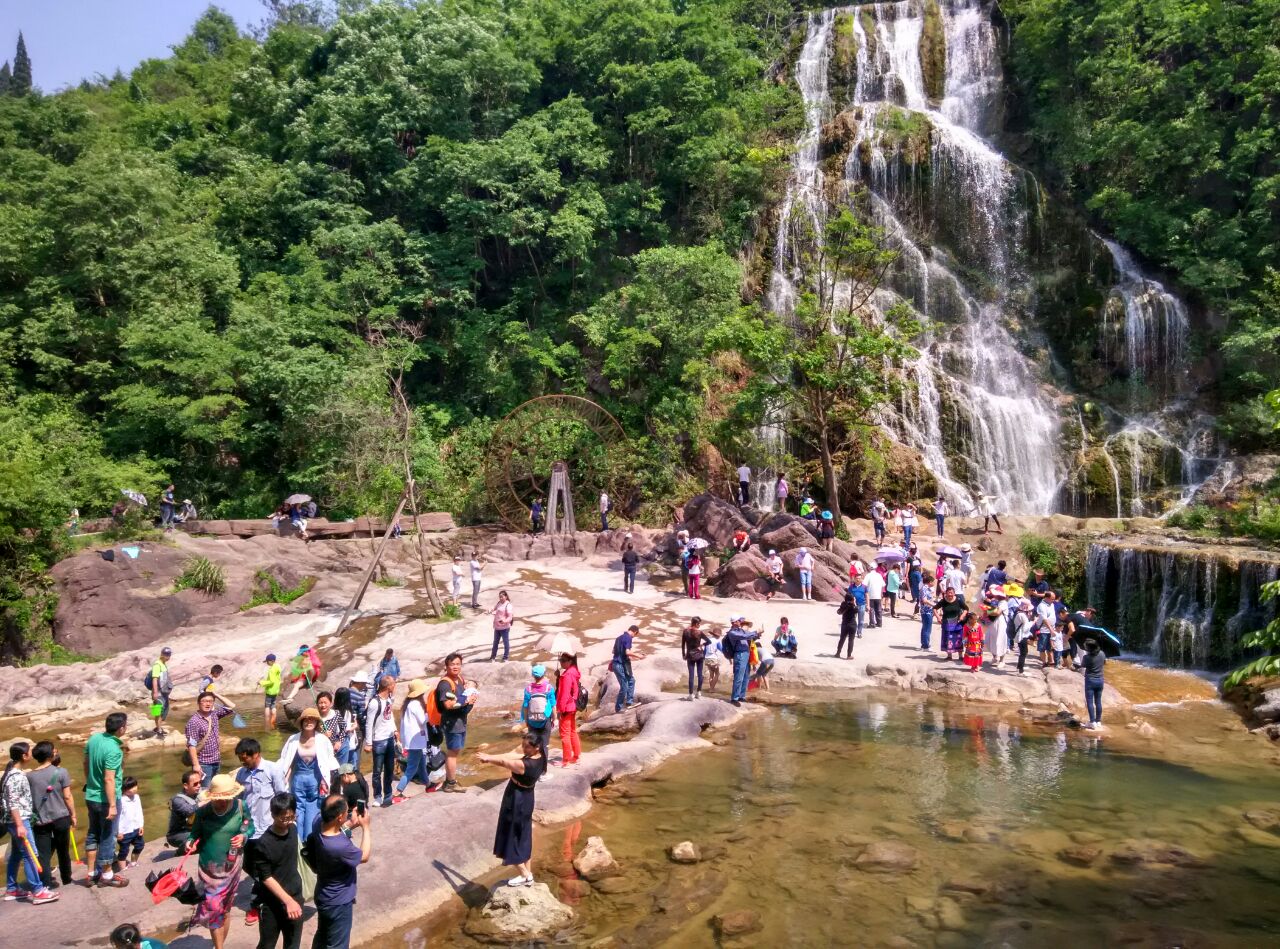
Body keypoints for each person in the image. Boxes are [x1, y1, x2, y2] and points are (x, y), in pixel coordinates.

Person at [186, 774, 254, 949]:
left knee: (225, 909)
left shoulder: (241, 807)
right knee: (213, 909)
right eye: (219, 800)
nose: (223, 802)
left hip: (231, 867)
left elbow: (249, 826)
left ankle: (219, 946)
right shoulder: (203, 812)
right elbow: (195, 833)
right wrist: (190, 842)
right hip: (209, 870)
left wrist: (243, 836)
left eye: (226, 799)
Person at [477, 733, 545, 888]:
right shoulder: (541, 756)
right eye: (523, 745)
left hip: (516, 798)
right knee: (523, 834)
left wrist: (488, 759)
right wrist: (489, 754)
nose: (523, 748)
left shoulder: (525, 765)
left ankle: (524, 874)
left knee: (511, 834)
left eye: (527, 746)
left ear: (536, 747)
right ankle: (529, 873)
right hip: (528, 797)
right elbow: (512, 755)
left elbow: (504, 762)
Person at [307, 794, 371, 949]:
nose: (348, 814)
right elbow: (364, 856)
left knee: (322, 936)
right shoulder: (339, 846)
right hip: (339, 901)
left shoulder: (317, 823)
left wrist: (350, 823)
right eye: (346, 813)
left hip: (324, 894)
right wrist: (366, 827)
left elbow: (335, 828)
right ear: (340, 817)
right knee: (338, 944)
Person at [4, 741, 58, 904]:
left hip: (15, 820)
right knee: (30, 854)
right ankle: (37, 891)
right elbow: (13, 802)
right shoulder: (16, 776)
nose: (31, 754)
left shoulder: (11, 774)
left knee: (16, 854)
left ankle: (12, 888)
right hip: (20, 821)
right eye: (29, 751)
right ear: (24, 756)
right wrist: (20, 825)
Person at [249, 792, 304, 949]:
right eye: (283, 818)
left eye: (291, 817)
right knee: (267, 944)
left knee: (293, 944)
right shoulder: (263, 844)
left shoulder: (293, 830)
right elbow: (266, 878)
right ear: (273, 815)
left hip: (295, 895)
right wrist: (288, 901)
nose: (287, 822)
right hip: (271, 903)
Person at [84, 711, 129, 888]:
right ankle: (107, 874)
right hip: (106, 799)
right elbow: (109, 778)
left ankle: (90, 873)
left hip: (91, 795)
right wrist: (112, 805)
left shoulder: (94, 739)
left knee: (93, 832)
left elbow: (85, 763)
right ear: (121, 728)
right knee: (108, 835)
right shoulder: (114, 750)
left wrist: (89, 782)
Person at [280, 707, 339, 835]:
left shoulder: (323, 740)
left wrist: (326, 780)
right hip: (298, 780)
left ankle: (310, 839)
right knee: (297, 810)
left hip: (316, 780)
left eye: (312, 720)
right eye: (306, 720)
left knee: (314, 809)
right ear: (301, 722)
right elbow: (288, 761)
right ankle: (298, 839)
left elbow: (329, 762)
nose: (309, 722)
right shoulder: (293, 739)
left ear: (317, 722)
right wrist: (284, 778)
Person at [28, 741, 74, 890]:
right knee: (63, 850)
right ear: (50, 754)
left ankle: (46, 884)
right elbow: (67, 796)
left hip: (40, 820)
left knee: (44, 854)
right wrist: (73, 815)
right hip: (61, 817)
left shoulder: (29, 776)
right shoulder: (61, 772)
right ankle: (66, 879)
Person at [434, 653, 476, 793]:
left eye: (458, 664)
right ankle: (450, 783)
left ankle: (450, 780)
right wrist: (466, 701)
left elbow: (462, 695)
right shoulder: (445, 684)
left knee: (455, 751)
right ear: (446, 666)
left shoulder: (458, 679)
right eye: (452, 664)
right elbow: (447, 704)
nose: (456, 666)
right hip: (451, 723)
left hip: (460, 720)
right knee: (452, 752)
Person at [186, 691, 236, 788]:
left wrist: (217, 695)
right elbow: (191, 745)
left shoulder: (214, 715)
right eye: (204, 701)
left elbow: (231, 706)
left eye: (210, 701)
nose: (207, 704)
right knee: (205, 791)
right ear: (198, 703)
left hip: (216, 760)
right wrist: (196, 765)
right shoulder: (194, 722)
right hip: (203, 764)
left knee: (215, 790)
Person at [394, 680, 432, 802]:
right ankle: (398, 792)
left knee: (421, 764)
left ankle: (428, 785)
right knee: (411, 769)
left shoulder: (409, 703)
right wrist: (430, 714)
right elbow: (422, 720)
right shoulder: (415, 704)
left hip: (413, 741)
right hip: (415, 741)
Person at [363, 677, 397, 805]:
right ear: (388, 687)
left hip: (389, 738)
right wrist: (369, 743)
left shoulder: (388, 699)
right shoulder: (374, 703)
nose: (395, 686)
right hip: (378, 740)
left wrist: (395, 730)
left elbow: (390, 716)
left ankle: (388, 794)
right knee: (377, 770)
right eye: (393, 684)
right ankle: (377, 795)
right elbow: (369, 723)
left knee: (390, 768)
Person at [521, 665, 557, 764]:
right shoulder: (548, 688)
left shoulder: (528, 689)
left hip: (532, 720)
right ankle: (544, 771)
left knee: (532, 745)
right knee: (544, 745)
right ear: (543, 675)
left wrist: (527, 720)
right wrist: (554, 718)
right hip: (545, 720)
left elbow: (525, 706)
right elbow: (553, 705)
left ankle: (530, 767)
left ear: (533, 675)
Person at [554, 653, 582, 766]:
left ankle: (566, 761)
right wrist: (558, 677)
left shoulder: (567, 675)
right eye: (560, 660)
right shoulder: (574, 672)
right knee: (572, 731)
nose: (561, 662)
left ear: (570, 661)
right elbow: (575, 691)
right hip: (572, 706)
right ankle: (576, 756)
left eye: (563, 660)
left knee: (564, 733)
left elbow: (564, 694)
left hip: (566, 708)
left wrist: (560, 709)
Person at [166, 770, 202, 851]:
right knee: (195, 844)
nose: (199, 785)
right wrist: (203, 803)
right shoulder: (177, 800)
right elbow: (188, 811)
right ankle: (180, 851)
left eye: (200, 782)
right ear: (186, 786)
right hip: (177, 834)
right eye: (195, 784)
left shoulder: (199, 793)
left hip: (193, 829)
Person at [725, 617, 757, 706]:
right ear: (734, 622)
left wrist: (756, 634)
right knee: (739, 676)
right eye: (739, 621)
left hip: (746, 654)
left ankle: (741, 696)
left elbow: (749, 636)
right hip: (740, 654)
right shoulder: (733, 632)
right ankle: (734, 698)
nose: (741, 622)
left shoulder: (740, 631)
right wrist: (756, 632)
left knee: (746, 676)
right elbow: (744, 636)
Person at [116, 776, 145, 868]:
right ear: (124, 790)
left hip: (136, 828)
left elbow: (139, 811)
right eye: (130, 788)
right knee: (124, 850)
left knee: (140, 845)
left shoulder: (137, 797)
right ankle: (123, 869)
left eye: (134, 786)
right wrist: (119, 831)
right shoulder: (121, 800)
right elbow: (118, 817)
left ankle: (133, 862)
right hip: (125, 831)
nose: (133, 789)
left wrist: (141, 825)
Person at [611, 625, 640, 712]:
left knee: (631, 681)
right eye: (636, 635)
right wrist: (638, 655)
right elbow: (627, 652)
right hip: (619, 665)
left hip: (619, 664)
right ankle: (618, 708)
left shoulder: (618, 638)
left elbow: (614, 651)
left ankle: (629, 702)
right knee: (624, 686)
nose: (634, 636)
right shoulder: (628, 638)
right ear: (635, 632)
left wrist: (634, 657)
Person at [938, 588, 971, 661]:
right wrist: (938, 617)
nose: (950, 594)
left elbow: (966, 608)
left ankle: (960, 656)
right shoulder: (943, 601)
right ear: (946, 593)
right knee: (948, 638)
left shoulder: (958, 600)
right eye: (948, 593)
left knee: (958, 638)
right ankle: (949, 656)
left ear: (954, 593)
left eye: (951, 593)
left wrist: (962, 616)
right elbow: (934, 608)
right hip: (946, 622)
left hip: (957, 623)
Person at [681, 617, 710, 700]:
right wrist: (702, 645)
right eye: (699, 623)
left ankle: (690, 695)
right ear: (696, 623)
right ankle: (698, 692)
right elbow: (709, 641)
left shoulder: (685, 631)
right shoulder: (699, 632)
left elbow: (683, 644)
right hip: (699, 655)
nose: (700, 625)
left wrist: (683, 654)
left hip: (689, 655)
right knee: (700, 674)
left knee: (691, 675)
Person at [148, 646, 174, 738]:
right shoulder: (157, 665)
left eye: (169, 655)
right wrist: (155, 692)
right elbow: (155, 679)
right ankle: (158, 730)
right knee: (158, 711)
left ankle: (158, 727)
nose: (167, 656)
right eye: (166, 654)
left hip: (164, 693)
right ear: (162, 654)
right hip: (158, 693)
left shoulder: (163, 664)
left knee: (164, 710)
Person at [332, 689, 361, 769]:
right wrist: (354, 726)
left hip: (338, 740)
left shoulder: (333, 711)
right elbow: (345, 729)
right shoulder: (346, 712)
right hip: (345, 740)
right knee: (345, 767)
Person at [1081, 639, 1107, 729]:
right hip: (1100, 680)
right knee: (1098, 701)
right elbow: (1104, 663)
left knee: (1090, 701)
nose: (1085, 648)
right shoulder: (1102, 653)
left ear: (1089, 648)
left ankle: (1092, 722)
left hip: (1090, 681)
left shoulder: (1087, 657)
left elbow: (1083, 665)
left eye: (1085, 646)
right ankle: (1098, 721)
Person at [982, 587, 1009, 666]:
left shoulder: (1003, 602)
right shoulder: (996, 601)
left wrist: (987, 611)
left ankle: (1002, 660)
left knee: (1000, 640)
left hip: (1000, 623)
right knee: (990, 639)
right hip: (993, 623)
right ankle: (995, 657)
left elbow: (997, 612)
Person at [489, 590, 514, 662]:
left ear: (506, 597)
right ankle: (493, 657)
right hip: (497, 627)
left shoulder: (508, 605)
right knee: (495, 642)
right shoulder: (499, 603)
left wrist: (504, 621)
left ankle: (505, 657)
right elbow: (494, 608)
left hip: (504, 628)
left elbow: (510, 617)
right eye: (499, 597)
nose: (500, 598)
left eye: (502, 597)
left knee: (506, 643)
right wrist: (490, 610)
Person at [1012, 600, 1034, 675]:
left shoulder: (1019, 614)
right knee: (1023, 653)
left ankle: (1019, 666)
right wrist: (1033, 622)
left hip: (1020, 636)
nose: (1031, 612)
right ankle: (1021, 670)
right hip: (1022, 636)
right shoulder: (1022, 615)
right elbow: (1025, 628)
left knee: (1023, 652)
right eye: (1030, 610)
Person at [260, 654, 282, 728]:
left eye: (267, 661)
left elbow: (271, 681)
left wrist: (261, 682)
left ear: (272, 661)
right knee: (273, 706)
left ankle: (267, 724)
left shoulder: (272, 670)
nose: (267, 663)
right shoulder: (277, 666)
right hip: (275, 690)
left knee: (267, 706)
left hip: (270, 691)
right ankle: (273, 722)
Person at [836, 594, 858, 660]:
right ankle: (849, 655)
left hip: (844, 624)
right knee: (851, 640)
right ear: (852, 600)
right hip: (852, 624)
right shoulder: (853, 606)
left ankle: (838, 653)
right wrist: (855, 603)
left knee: (842, 639)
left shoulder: (843, 604)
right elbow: (857, 611)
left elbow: (839, 611)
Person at [918, 582, 936, 649]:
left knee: (925, 628)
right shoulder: (924, 589)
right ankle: (925, 644)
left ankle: (924, 644)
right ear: (930, 582)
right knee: (927, 628)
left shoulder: (926, 589)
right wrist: (934, 605)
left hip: (927, 611)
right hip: (926, 611)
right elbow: (924, 600)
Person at [675, 531, 692, 596]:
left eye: (686, 536)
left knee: (690, 576)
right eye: (683, 536)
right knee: (684, 576)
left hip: (690, 561)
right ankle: (687, 590)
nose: (684, 537)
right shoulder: (679, 542)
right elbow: (679, 551)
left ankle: (690, 590)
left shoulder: (691, 543)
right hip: (683, 561)